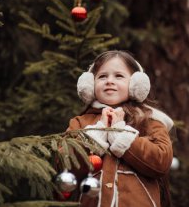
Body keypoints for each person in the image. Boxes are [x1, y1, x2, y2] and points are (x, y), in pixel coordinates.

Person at [67, 50, 173, 207]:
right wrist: (99, 131)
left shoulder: (149, 121)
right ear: (90, 85)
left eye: (119, 76)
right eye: (102, 76)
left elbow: (162, 160)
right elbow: (65, 164)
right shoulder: (80, 123)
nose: (109, 81)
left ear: (135, 85)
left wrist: (120, 134)